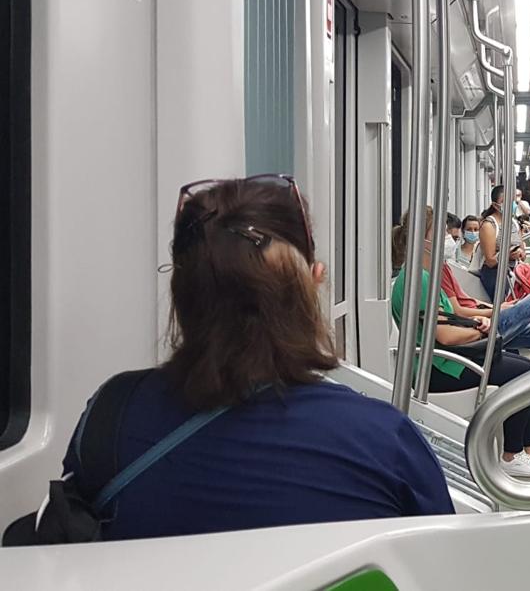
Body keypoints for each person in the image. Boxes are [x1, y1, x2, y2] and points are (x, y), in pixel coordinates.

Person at [54, 176, 454, 541]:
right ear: (314, 281)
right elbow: (443, 566)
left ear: (181, 293)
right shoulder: (382, 440)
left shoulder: (110, 417)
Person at [392, 214, 530, 478]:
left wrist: (480, 322)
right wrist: (483, 329)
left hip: (449, 358)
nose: (449, 237)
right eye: (441, 232)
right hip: (440, 367)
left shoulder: (426, 275)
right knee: (523, 373)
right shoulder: (418, 280)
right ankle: (512, 455)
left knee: (526, 366)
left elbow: (448, 318)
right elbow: (445, 335)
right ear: (423, 239)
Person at [472, 185, 524, 295]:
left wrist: (520, 253)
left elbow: (523, 252)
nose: (511, 205)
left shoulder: (514, 223)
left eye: (513, 201)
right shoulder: (489, 226)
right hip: (496, 274)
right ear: (496, 205)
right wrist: (508, 255)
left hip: (515, 269)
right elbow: (490, 261)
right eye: (505, 201)